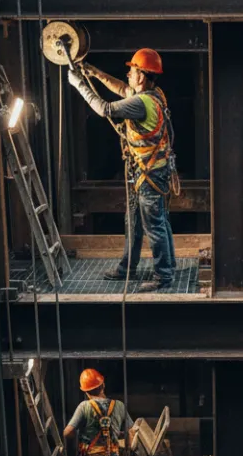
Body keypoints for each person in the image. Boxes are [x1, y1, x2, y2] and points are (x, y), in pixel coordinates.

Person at [67, 48, 178, 292]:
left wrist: (78, 85)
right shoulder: (154, 94)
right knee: (136, 221)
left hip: (149, 175)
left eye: (132, 71)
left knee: (154, 224)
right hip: (148, 172)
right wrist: (94, 73)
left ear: (141, 76)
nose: (128, 74)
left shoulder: (140, 103)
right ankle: (129, 267)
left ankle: (164, 276)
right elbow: (121, 88)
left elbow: (105, 108)